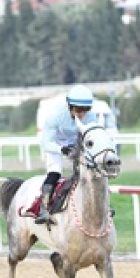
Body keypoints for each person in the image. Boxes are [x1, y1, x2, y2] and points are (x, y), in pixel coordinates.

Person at [35, 84, 97, 224]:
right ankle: (43, 210)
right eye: (78, 109)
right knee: (55, 173)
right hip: (55, 143)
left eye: (86, 109)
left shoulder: (91, 116)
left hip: (76, 142)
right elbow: (46, 143)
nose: (82, 114)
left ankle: (100, 206)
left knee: (90, 172)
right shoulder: (55, 115)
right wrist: (61, 149)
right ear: (69, 106)